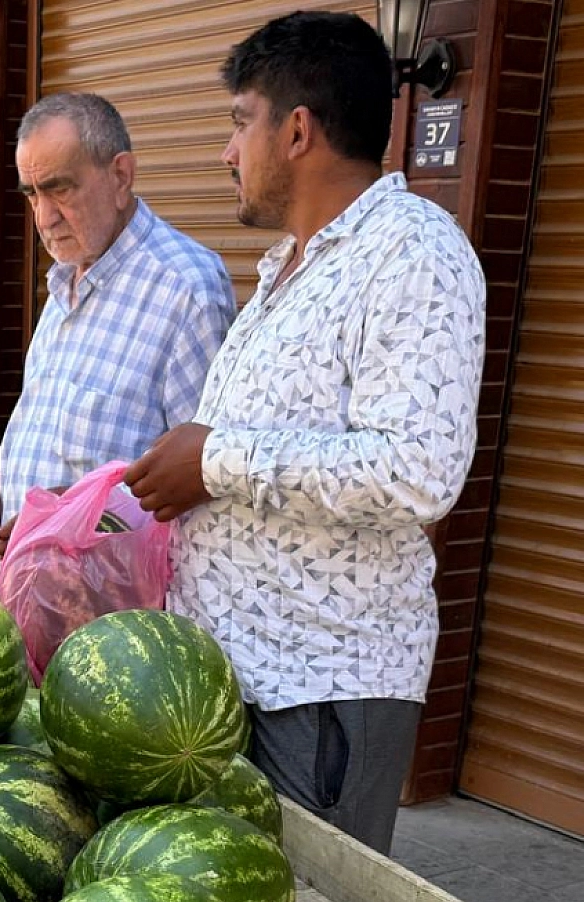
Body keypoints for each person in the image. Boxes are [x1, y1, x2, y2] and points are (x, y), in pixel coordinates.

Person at [123, 12, 486, 854]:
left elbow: (418, 468)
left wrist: (215, 458)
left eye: (238, 122)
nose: (227, 152)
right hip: (235, 682)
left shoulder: (413, 254)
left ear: (295, 131)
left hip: (319, 686)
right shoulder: (294, 266)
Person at [0, 93, 237, 562]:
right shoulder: (67, 277)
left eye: (60, 189)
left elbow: (203, 485)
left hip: (115, 599)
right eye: (32, 194)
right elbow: (71, 443)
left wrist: (72, 520)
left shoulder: (185, 289)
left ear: (121, 176)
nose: (44, 218)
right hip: (33, 582)